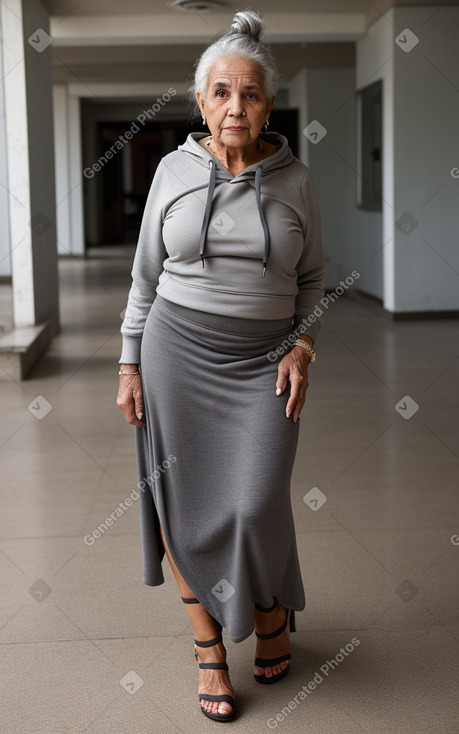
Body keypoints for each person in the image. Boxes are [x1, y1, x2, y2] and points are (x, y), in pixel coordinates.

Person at [117, 9, 325, 723]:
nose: (236, 107)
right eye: (221, 93)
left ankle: (268, 608)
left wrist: (302, 345)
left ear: (269, 103)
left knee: (255, 499)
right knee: (183, 504)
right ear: (201, 100)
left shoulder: (295, 179)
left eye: (252, 94)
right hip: (174, 350)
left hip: (264, 358)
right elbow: (145, 277)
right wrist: (127, 363)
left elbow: (312, 282)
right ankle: (208, 646)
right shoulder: (173, 171)